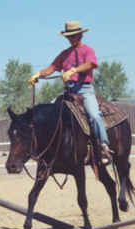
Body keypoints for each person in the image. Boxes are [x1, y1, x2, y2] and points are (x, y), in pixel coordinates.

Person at [28, 20, 113, 157]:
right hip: (69, 92)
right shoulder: (64, 54)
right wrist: (39, 74)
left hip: (84, 91)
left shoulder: (88, 50)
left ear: (80, 36)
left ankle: (103, 145)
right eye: (68, 36)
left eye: (73, 36)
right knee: (50, 113)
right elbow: (52, 68)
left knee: (94, 115)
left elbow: (91, 64)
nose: (70, 39)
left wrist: (73, 70)